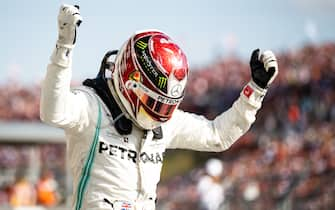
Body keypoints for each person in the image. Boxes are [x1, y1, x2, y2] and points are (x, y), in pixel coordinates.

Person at [40, 4, 278, 210]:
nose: (161, 114)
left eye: (167, 106)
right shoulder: (92, 106)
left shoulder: (166, 123)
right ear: (129, 80)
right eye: (155, 102)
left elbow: (217, 136)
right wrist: (63, 49)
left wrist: (255, 91)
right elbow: (53, 111)